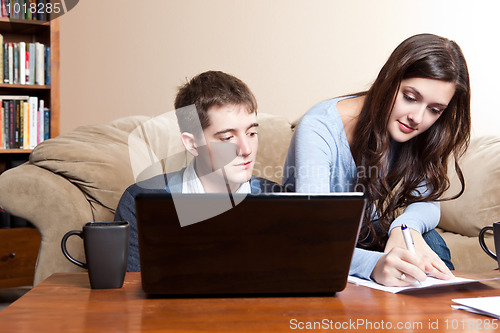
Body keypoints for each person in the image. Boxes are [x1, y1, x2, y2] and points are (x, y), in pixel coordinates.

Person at [283, 34, 471, 286]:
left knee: (423, 238)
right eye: (410, 97)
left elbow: (428, 201)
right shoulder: (319, 127)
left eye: (434, 109)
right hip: (317, 241)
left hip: (369, 234)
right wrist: (373, 265)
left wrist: (405, 229)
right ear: (389, 81)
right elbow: (313, 235)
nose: (417, 117)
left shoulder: (420, 132)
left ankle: (445, 305)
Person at [115, 70, 281, 271]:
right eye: (227, 138)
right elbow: (129, 293)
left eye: (252, 133)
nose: (246, 150)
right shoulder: (140, 200)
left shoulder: (280, 199)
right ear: (192, 144)